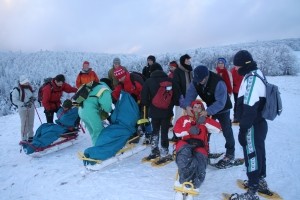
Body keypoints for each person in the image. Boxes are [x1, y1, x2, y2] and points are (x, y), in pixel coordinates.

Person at [228, 50, 268, 200]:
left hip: (252, 124)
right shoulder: (257, 73)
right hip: (259, 123)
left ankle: (252, 191)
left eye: (236, 66)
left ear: (244, 65)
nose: (235, 69)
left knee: (252, 155)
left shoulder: (251, 79)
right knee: (259, 151)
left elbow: (249, 108)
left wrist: (242, 130)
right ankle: (260, 181)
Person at [182, 65, 235, 169]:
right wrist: (187, 106)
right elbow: (190, 94)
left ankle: (230, 154)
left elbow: (221, 102)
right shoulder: (196, 81)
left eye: (201, 80)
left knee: (226, 130)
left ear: (206, 77)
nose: (198, 82)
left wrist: (207, 111)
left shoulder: (218, 82)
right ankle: (204, 150)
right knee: (205, 129)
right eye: (197, 80)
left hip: (223, 108)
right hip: (210, 107)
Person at [173, 100, 221, 198]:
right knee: (184, 156)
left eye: (199, 107)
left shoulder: (205, 120)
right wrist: (188, 130)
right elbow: (177, 132)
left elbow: (218, 129)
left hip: (200, 146)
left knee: (200, 162)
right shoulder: (184, 119)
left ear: (202, 110)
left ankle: (195, 183)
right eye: (195, 107)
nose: (197, 109)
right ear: (191, 108)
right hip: (185, 143)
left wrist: (206, 121)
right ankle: (185, 179)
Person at [141, 69, 180, 164]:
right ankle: (164, 152)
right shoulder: (170, 81)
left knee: (155, 130)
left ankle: (154, 151)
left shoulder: (149, 81)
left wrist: (149, 105)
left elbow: (144, 98)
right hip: (167, 112)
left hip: (154, 111)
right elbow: (177, 97)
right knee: (164, 131)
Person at [78, 81, 113, 145]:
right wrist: (111, 111)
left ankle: (95, 148)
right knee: (98, 132)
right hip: (90, 112)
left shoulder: (94, 86)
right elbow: (106, 106)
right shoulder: (105, 90)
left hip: (81, 110)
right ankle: (99, 150)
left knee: (93, 132)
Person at [171, 54, 193, 142]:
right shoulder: (178, 71)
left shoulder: (190, 70)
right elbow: (176, 86)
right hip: (180, 98)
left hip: (190, 97)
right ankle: (176, 134)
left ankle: (187, 132)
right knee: (179, 116)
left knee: (188, 116)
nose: (188, 61)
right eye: (187, 60)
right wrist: (180, 98)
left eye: (189, 60)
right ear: (183, 61)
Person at [11, 75, 35, 142]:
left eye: (27, 82)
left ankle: (30, 136)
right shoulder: (17, 89)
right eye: (25, 82)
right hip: (23, 109)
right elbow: (14, 100)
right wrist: (23, 104)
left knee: (31, 122)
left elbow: (33, 94)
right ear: (21, 82)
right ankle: (24, 138)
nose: (27, 83)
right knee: (24, 124)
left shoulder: (29, 87)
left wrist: (33, 98)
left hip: (31, 107)